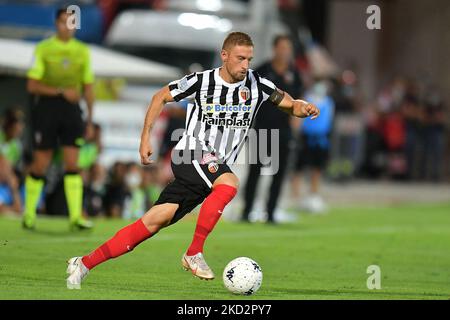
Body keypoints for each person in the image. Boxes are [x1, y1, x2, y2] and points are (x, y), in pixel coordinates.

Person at [66, 32, 319, 289]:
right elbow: (160, 97)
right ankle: (193, 252)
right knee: (229, 183)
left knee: (152, 223)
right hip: (190, 152)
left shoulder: (257, 84)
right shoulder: (202, 81)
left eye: (249, 60)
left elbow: (289, 104)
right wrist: (145, 139)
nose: (246, 65)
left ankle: (84, 263)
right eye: (240, 58)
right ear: (225, 56)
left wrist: (304, 107)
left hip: (209, 170)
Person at [23, 8, 95, 230]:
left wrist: (90, 119)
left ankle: (75, 217)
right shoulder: (44, 48)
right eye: (64, 22)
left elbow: (88, 87)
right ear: (56, 24)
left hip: (72, 111)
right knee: (40, 163)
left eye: (72, 23)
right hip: (47, 109)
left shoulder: (82, 51)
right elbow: (32, 85)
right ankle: (29, 214)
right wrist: (62, 91)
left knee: (73, 164)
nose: (68, 27)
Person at [241, 35, 302, 224]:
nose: (285, 52)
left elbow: (297, 101)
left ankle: (271, 212)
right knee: (255, 171)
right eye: (282, 47)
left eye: (288, 48)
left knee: (279, 173)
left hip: (283, 131)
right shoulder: (261, 71)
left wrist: (296, 123)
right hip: (262, 129)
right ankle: (247, 211)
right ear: (274, 49)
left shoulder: (294, 73)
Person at [291, 80, 335, 213]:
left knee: (317, 169)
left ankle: (313, 196)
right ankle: (296, 197)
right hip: (306, 138)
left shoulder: (328, 101)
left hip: (321, 140)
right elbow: (297, 119)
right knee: (299, 168)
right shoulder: (306, 100)